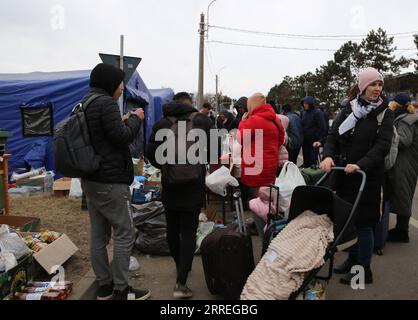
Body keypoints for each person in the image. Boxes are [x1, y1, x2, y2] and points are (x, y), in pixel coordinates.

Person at [80, 63, 150, 300]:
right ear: (110, 83)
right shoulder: (105, 103)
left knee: (99, 235)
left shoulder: (86, 103)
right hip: (110, 180)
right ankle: (121, 288)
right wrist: (136, 120)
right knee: (125, 232)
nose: (122, 88)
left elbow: (102, 133)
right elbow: (122, 137)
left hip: (91, 179)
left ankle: (104, 286)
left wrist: (121, 118)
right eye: (120, 83)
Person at [320, 67, 394, 285]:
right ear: (362, 87)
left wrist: (360, 165)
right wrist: (328, 155)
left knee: (364, 223)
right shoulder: (349, 109)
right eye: (373, 84)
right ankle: (352, 261)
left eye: (380, 84)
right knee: (348, 221)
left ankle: (363, 272)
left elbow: (382, 146)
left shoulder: (384, 113)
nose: (377, 89)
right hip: (344, 176)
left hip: (366, 178)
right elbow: (333, 136)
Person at [146, 92, 214, 299]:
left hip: (170, 185)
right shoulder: (203, 121)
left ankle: (179, 266)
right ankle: (181, 282)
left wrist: (169, 166)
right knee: (189, 231)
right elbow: (214, 151)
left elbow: (151, 154)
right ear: (190, 105)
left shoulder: (162, 123)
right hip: (193, 185)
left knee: (172, 229)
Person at [238, 93, 284, 245]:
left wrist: (243, 121)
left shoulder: (254, 119)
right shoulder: (274, 118)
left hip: (256, 167)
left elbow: (240, 138)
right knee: (268, 199)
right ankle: (272, 230)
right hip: (270, 165)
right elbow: (281, 139)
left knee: (258, 202)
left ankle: (265, 236)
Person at [386, 93, 418, 243]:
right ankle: (400, 230)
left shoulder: (405, 121)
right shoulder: (409, 117)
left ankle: (402, 232)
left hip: (405, 163)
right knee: (403, 195)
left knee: (403, 195)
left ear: (395, 104)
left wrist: (388, 134)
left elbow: (404, 141)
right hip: (410, 162)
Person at [301, 96, 327, 167]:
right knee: (306, 160)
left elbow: (322, 127)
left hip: (314, 141)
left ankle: (313, 175)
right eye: (303, 103)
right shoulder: (304, 113)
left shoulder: (318, 113)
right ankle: (306, 175)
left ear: (310, 103)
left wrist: (320, 139)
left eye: (306, 103)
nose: (304, 105)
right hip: (305, 141)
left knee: (312, 160)